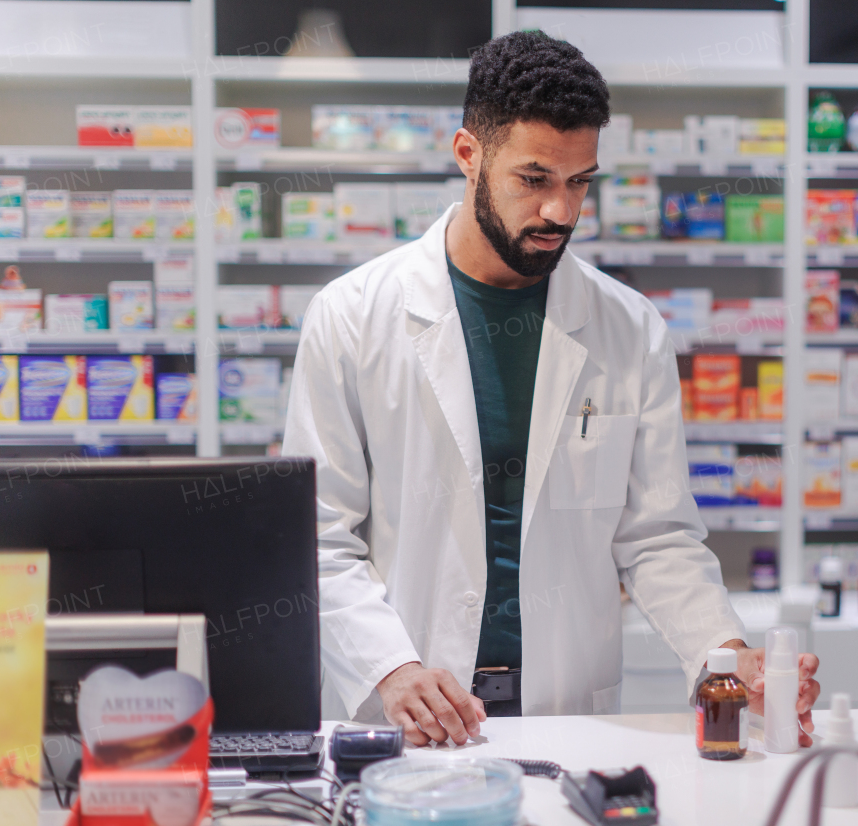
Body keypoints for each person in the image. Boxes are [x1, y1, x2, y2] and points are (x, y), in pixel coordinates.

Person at [283, 31, 819, 745]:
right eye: (534, 180)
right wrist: (391, 667)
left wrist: (727, 657)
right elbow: (320, 537)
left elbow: (657, 535)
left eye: (580, 182)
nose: (561, 212)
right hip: (410, 711)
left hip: (567, 710)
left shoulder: (629, 329)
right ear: (468, 156)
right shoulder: (351, 318)